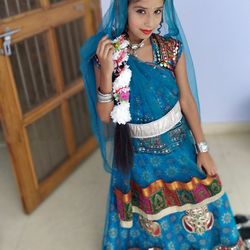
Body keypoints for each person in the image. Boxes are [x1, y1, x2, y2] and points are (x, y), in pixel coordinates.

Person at [80, 0, 244, 249]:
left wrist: (203, 148)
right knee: (150, 211)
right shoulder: (109, 54)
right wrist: (106, 71)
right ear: (123, 10)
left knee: (204, 192)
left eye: (157, 12)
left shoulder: (170, 49)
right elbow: (105, 116)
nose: (150, 22)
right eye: (141, 11)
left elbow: (187, 101)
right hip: (140, 156)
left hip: (179, 145)